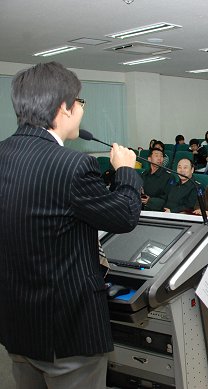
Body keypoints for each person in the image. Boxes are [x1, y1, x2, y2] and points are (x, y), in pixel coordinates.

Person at [0, 62, 142, 388]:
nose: (81, 109)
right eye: (80, 102)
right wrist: (126, 172)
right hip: (67, 332)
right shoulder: (74, 165)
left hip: (17, 324)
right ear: (64, 107)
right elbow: (124, 216)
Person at [142, 147, 172, 211]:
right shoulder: (144, 174)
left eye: (161, 156)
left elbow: (167, 199)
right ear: (149, 159)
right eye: (156, 155)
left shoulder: (168, 177)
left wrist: (150, 201)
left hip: (157, 210)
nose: (159, 158)